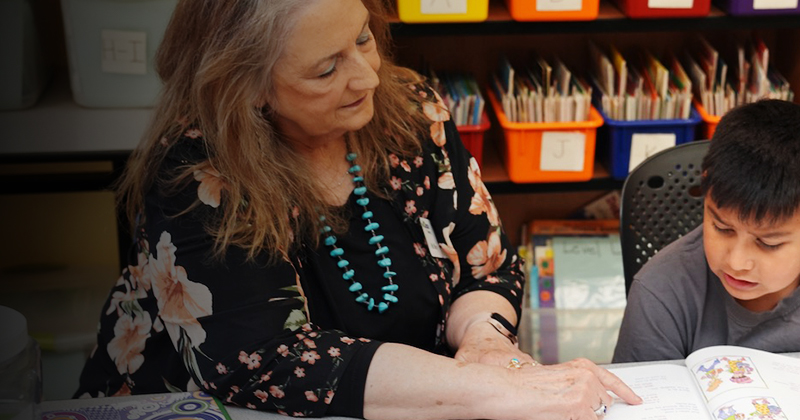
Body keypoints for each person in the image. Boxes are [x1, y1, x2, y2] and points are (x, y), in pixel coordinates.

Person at [74, 0, 641, 419]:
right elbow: (264, 359)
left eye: (364, 39)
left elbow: (484, 262)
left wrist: (485, 343)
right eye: (326, 69)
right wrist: (485, 388)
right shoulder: (196, 175)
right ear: (247, 88)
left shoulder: (410, 109)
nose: (367, 76)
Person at [613, 100, 800, 363]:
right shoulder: (661, 290)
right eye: (721, 227)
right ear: (705, 191)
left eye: (768, 243)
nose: (737, 262)